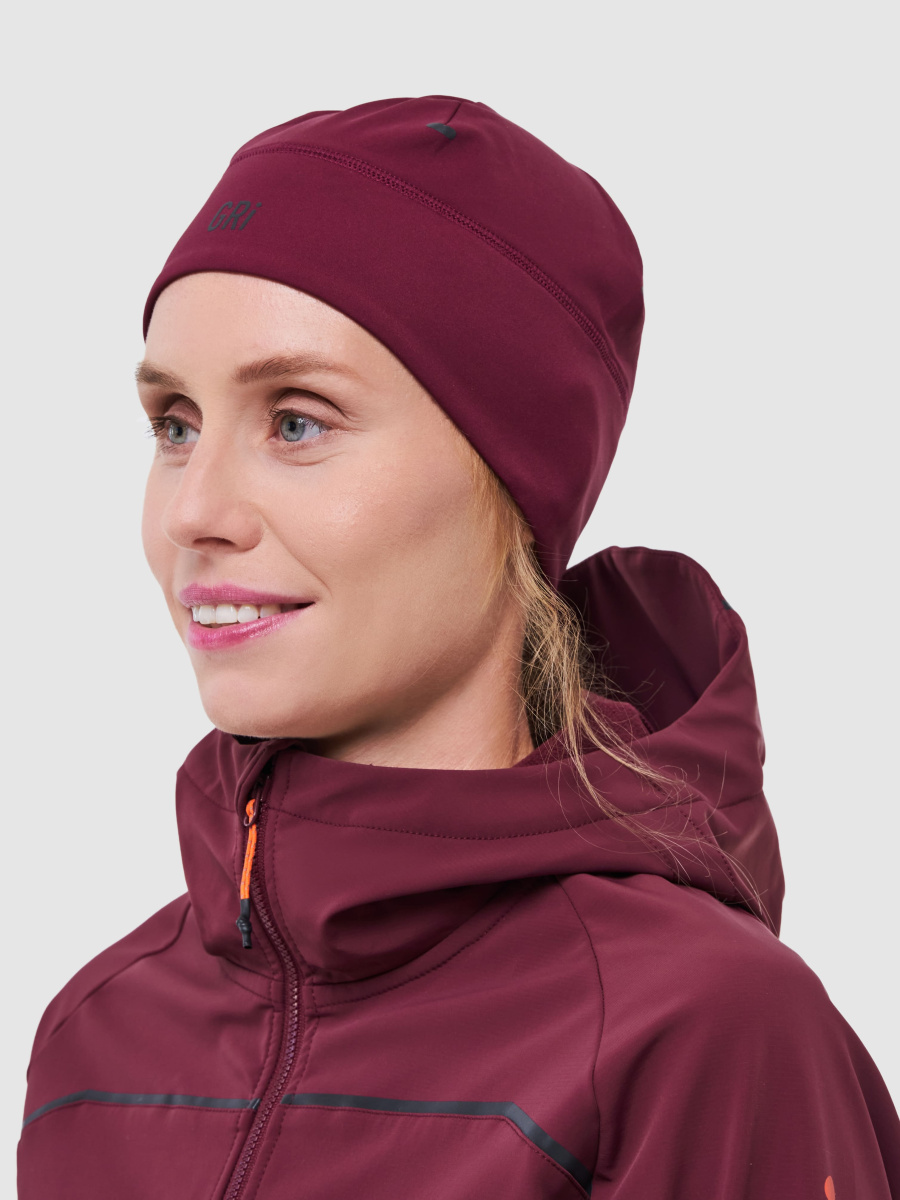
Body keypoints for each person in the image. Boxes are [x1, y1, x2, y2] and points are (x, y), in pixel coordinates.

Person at [17, 95, 900, 1199]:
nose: (193, 511)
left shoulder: (697, 1032)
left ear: (512, 477)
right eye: (175, 426)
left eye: (297, 421)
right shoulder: (96, 1042)